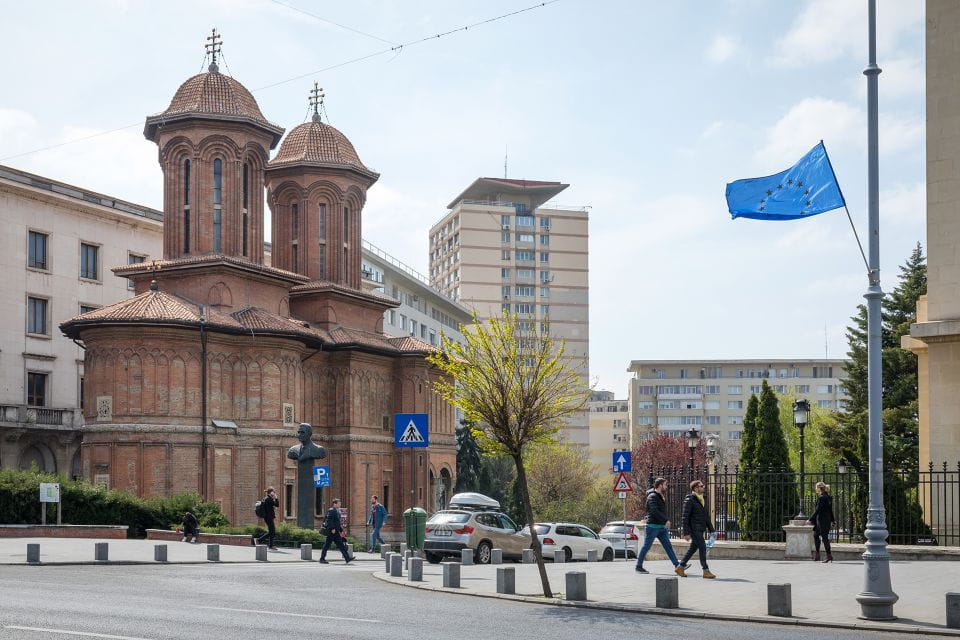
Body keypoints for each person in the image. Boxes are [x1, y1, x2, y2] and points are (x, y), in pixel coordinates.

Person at [635, 477, 682, 574]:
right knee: (646, 546)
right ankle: (638, 566)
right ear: (660, 485)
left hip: (661, 527)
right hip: (652, 526)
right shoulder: (652, 496)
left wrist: (664, 521)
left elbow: (660, 511)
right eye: (665, 485)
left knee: (668, 546)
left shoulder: (659, 496)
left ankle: (677, 565)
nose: (666, 486)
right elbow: (654, 510)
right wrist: (666, 520)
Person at [676, 480, 716, 579]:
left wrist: (712, 530)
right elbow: (685, 517)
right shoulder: (689, 500)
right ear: (695, 488)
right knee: (702, 547)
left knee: (693, 548)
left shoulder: (702, 499)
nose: (704, 487)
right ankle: (705, 570)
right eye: (701, 486)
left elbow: (706, 516)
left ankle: (680, 567)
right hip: (694, 529)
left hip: (700, 529)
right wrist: (686, 533)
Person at [808, 481, 836, 562]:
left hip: (822, 520)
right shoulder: (828, 497)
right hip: (823, 520)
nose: (815, 489)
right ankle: (818, 555)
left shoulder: (822, 498)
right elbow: (830, 510)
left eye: (816, 488)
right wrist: (833, 520)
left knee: (824, 538)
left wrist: (810, 519)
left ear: (819, 488)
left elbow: (818, 510)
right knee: (816, 535)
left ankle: (829, 555)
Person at [319, 498, 353, 564]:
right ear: (335, 504)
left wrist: (341, 530)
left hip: (336, 532)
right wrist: (332, 529)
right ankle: (322, 559)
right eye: (339, 503)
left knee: (341, 545)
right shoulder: (332, 510)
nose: (340, 504)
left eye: (340, 503)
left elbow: (337, 522)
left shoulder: (337, 511)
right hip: (332, 532)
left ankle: (347, 558)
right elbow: (329, 520)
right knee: (327, 545)